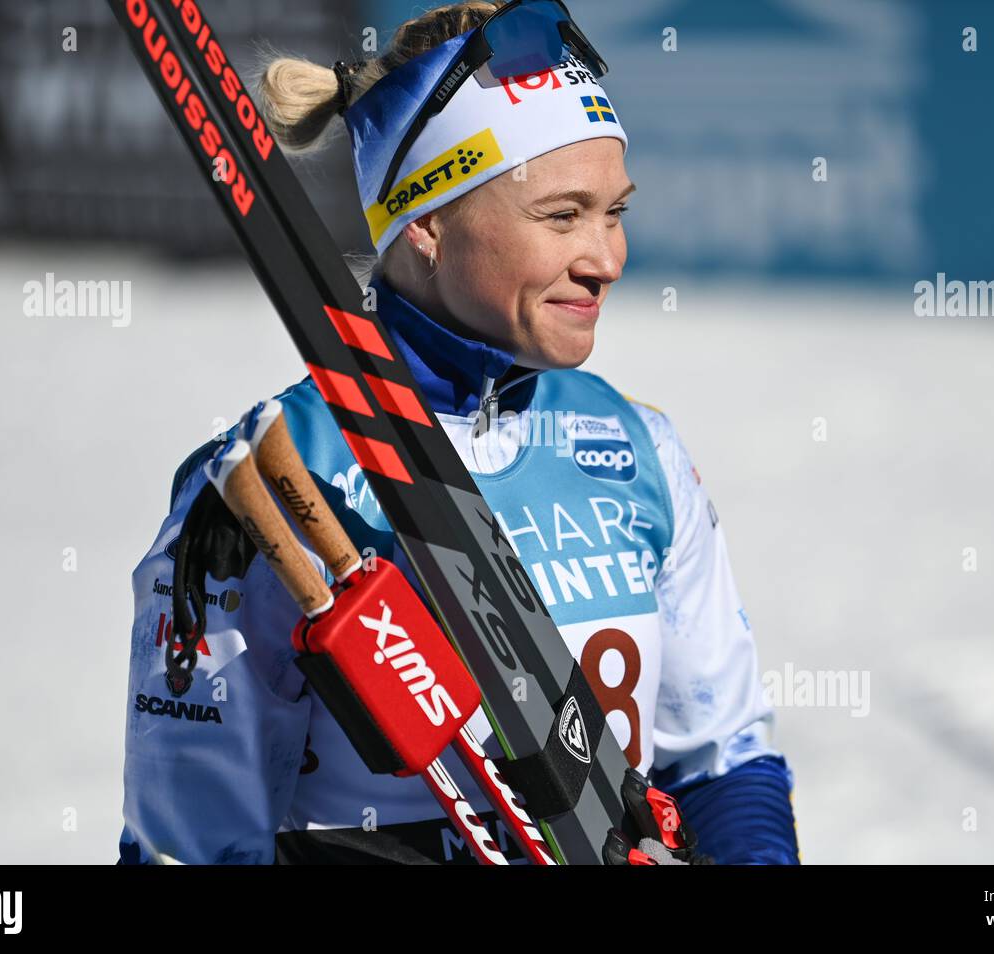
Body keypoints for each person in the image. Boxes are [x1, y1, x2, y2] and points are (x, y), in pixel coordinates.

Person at [119, 0, 799, 865]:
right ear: (429, 224)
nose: (607, 259)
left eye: (614, 212)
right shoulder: (278, 476)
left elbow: (722, 757)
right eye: (562, 217)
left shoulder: (636, 449)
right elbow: (189, 845)